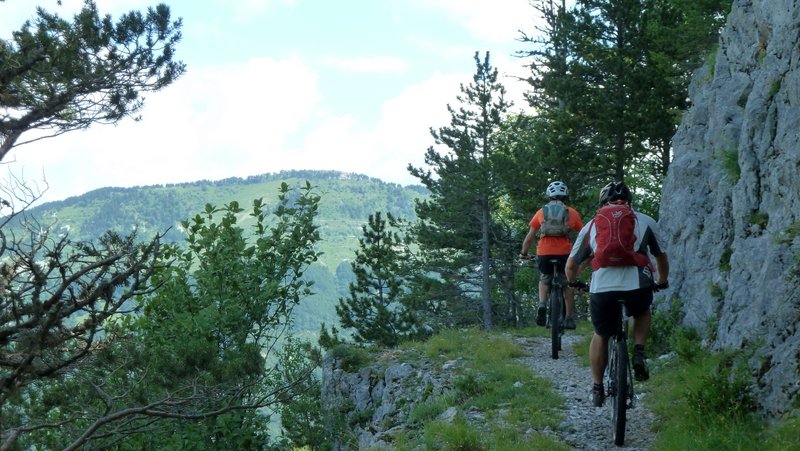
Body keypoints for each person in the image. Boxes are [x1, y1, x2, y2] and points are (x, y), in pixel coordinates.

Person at [565, 180, 669, 407]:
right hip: (637, 285)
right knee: (641, 311)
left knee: (601, 333)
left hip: (602, 288)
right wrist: (662, 280)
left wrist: (573, 283)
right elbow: (661, 256)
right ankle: (639, 351)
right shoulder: (645, 221)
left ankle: (597, 387)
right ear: (629, 202)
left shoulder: (592, 225)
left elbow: (572, 264)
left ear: (603, 202)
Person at [520, 180, 584, 329]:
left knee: (544, 279)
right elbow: (584, 235)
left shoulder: (541, 212)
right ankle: (568, 318)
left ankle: (542, 304)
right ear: (565, 196)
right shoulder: (572, 212)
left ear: (549, 196)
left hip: (544, 252)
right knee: (568, 283)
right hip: (565, 254)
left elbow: (530, 237)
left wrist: (523, 253)